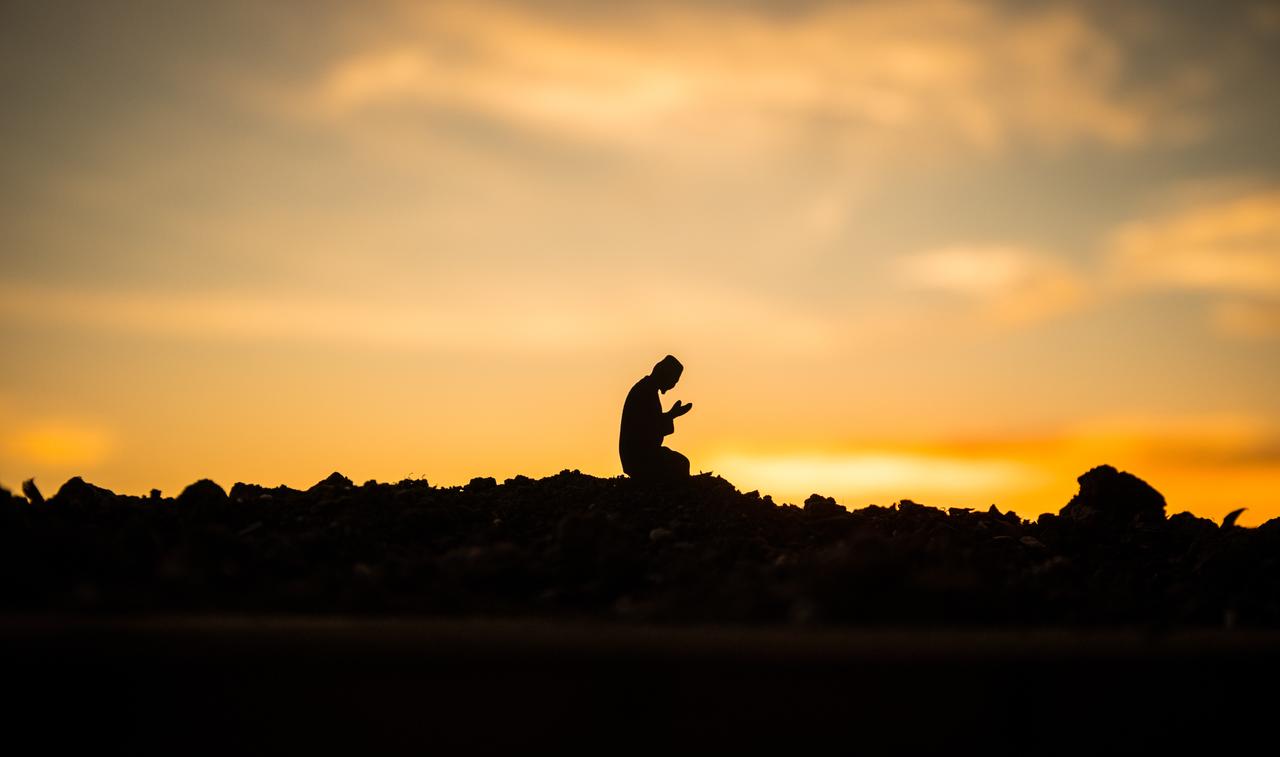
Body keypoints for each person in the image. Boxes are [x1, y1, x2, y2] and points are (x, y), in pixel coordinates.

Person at [619, 355, 692, 483]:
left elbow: (651, 422)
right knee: (681, 464)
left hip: (641, 455)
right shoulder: (645, 392)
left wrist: (671, 415)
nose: (673, 385)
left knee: (681, 462)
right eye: (674, 381)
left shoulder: (647, 389)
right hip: (639, 458)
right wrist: (671, 415)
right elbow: (647, 429)